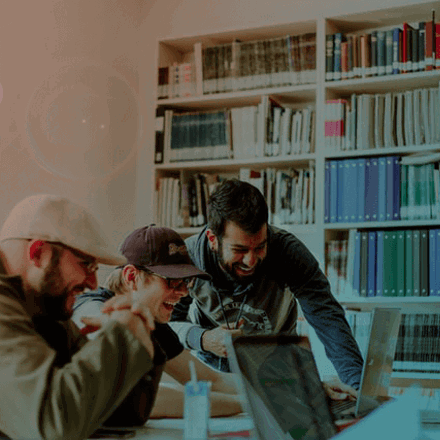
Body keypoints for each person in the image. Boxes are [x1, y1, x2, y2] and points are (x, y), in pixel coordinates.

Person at [169, 179, 364, 395]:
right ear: (213, 239)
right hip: (215, 378)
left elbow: (328, 318)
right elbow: (168, 326)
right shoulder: (188, 258)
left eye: (260, 247)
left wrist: (358, 388)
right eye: (239, 249)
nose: (251, 260)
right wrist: (204, 339)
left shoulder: (288, 253)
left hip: (279, 375)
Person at [0, 194, 164, 440]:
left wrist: (137, 329)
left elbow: (122, 413)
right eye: (86, 264)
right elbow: (53, 426)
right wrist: (123, 336)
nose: (93, 283)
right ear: (38, 254)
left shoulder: (43, 309)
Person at [72, 224, 242, 418]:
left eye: (185, 282)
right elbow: (137, 398)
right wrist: (245, 405)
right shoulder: (91, 307)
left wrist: (271, 390)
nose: (183, 292)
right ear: (131, 277)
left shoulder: (153, 324)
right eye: (172, 281)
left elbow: (212, 381)